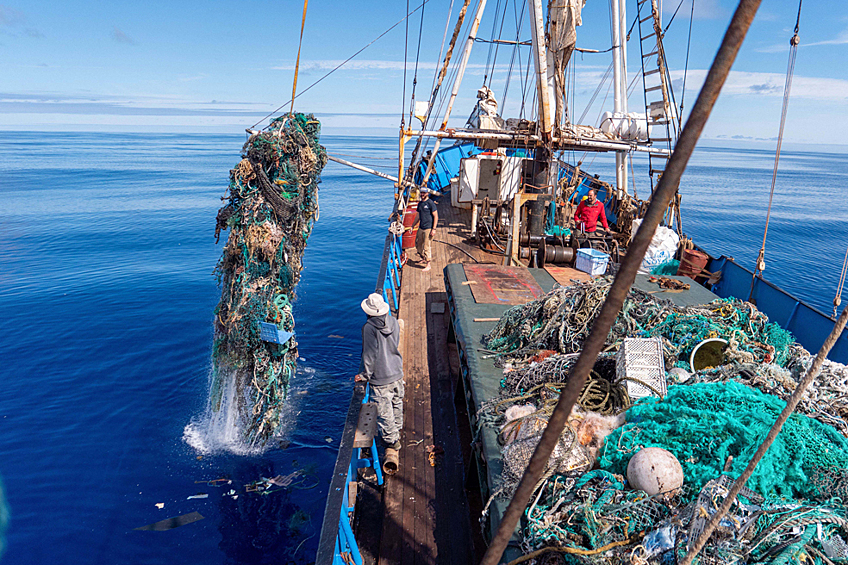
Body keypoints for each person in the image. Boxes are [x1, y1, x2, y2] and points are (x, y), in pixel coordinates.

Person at [355, 293, 404, 451]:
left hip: (380, 377)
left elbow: (369, 355)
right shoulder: (393, 321)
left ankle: (393, 442)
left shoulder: (368, 328)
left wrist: (364, 376)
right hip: (396, 370)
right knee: (397, 402)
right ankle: (398, 427)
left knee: (384, 412)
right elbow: (394, 343)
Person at [413, 188, 439, 272]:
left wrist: (433, 229)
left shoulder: (430, 203)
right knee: (418, 244)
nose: (422, 194)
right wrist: (412, 226)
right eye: (421, 193)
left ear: (427, 193)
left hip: (428, 228)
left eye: (424, 193)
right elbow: (418, 216)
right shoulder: (420, 203)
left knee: (426, 246)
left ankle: (428, 264)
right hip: (421, 227)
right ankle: (423, 257)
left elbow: (436, 216)